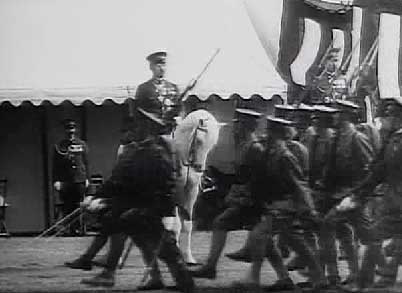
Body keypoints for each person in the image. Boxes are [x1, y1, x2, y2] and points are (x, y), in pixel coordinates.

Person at [80, 108, 194, 293]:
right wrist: (97, 196)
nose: (134, 130)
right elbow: (119, 180)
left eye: (139, 127)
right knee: (126, 227)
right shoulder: (139, 150)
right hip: (142, 208)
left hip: (154, 209)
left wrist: (168, 214)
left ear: (148, 130)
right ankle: (113, 274)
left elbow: (169, 184)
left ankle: (185, 284)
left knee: (166, 248)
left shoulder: (157, 152)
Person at [234, 116, 326, 291]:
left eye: (271, 133)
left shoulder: (285, 156)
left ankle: (253, 280)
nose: (267, 136)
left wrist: (310, 209)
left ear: (279, 135)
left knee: (259, 236)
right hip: (276, 204)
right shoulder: (270, 153)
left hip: (286, 206)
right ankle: (305, 278)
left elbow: (299, 184)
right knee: (291, 243)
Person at [190, 108, 264, 279]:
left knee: (220, 223)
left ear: (247, 127)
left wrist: (241, 195)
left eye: (240, 125)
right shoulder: (245, 145)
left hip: (253, 198)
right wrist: (216, 174)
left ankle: (211, 267)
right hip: (249, 196)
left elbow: (251, 177)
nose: (235, 129)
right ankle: (280, 277)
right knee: (266, 243)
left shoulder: (253, 147)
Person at [64, 116, 138, 271]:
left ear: (132, 133)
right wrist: (97, 197)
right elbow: (116, 179)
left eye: (126, 132)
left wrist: (96, 197)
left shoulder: (133, 151)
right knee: (109, 224)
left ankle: (96, 259)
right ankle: (90, 259)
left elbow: (120, 179)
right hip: (127, 198)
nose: (123, 135)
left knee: (115, 225)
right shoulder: (127, 149)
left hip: (136, 201)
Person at [318, 100, 376, 290]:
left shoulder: (357, 138)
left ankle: (356, 274)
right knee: (344, 231)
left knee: (367, 235)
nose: (333, 116)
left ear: (346, 116)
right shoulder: (336, 138)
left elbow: (370, 169)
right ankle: (347, 274)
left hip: (354, 195)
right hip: (338, 194)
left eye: (338, 113)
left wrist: (359, 195)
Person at [349, 96, 402, 290]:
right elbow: (378, 173)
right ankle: (374, 282)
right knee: (378, 239)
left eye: (389, 117)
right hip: (393, 202)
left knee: (376, 239)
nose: (385, 121)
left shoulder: (397, 141)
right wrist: (360, 193)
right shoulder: (392, 140)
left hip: (397, 203)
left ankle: (371, 283)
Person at [52, 118, 89, 236]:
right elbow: (55, 166)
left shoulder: (82, 144)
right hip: (66, 180)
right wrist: (56, 180)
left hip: (79, 179)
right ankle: (69, 229)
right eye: (68, 129)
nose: (70, 132)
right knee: (67, 205)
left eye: (72, 129)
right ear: (65, 131)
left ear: (75, 130)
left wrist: (86, 178)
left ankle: (79, 229)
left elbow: (86, 162)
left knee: (79, 205)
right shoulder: (59, 146)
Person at [135, 51, 182, 130]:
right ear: (151, 67)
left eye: (163, 64)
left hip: (172, 131)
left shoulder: (174, 88)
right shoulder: (144, 88)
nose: (161, 68)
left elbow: (180, 108)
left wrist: (179, 118)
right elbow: (138, 113)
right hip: (151, 133)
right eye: (158, 65)